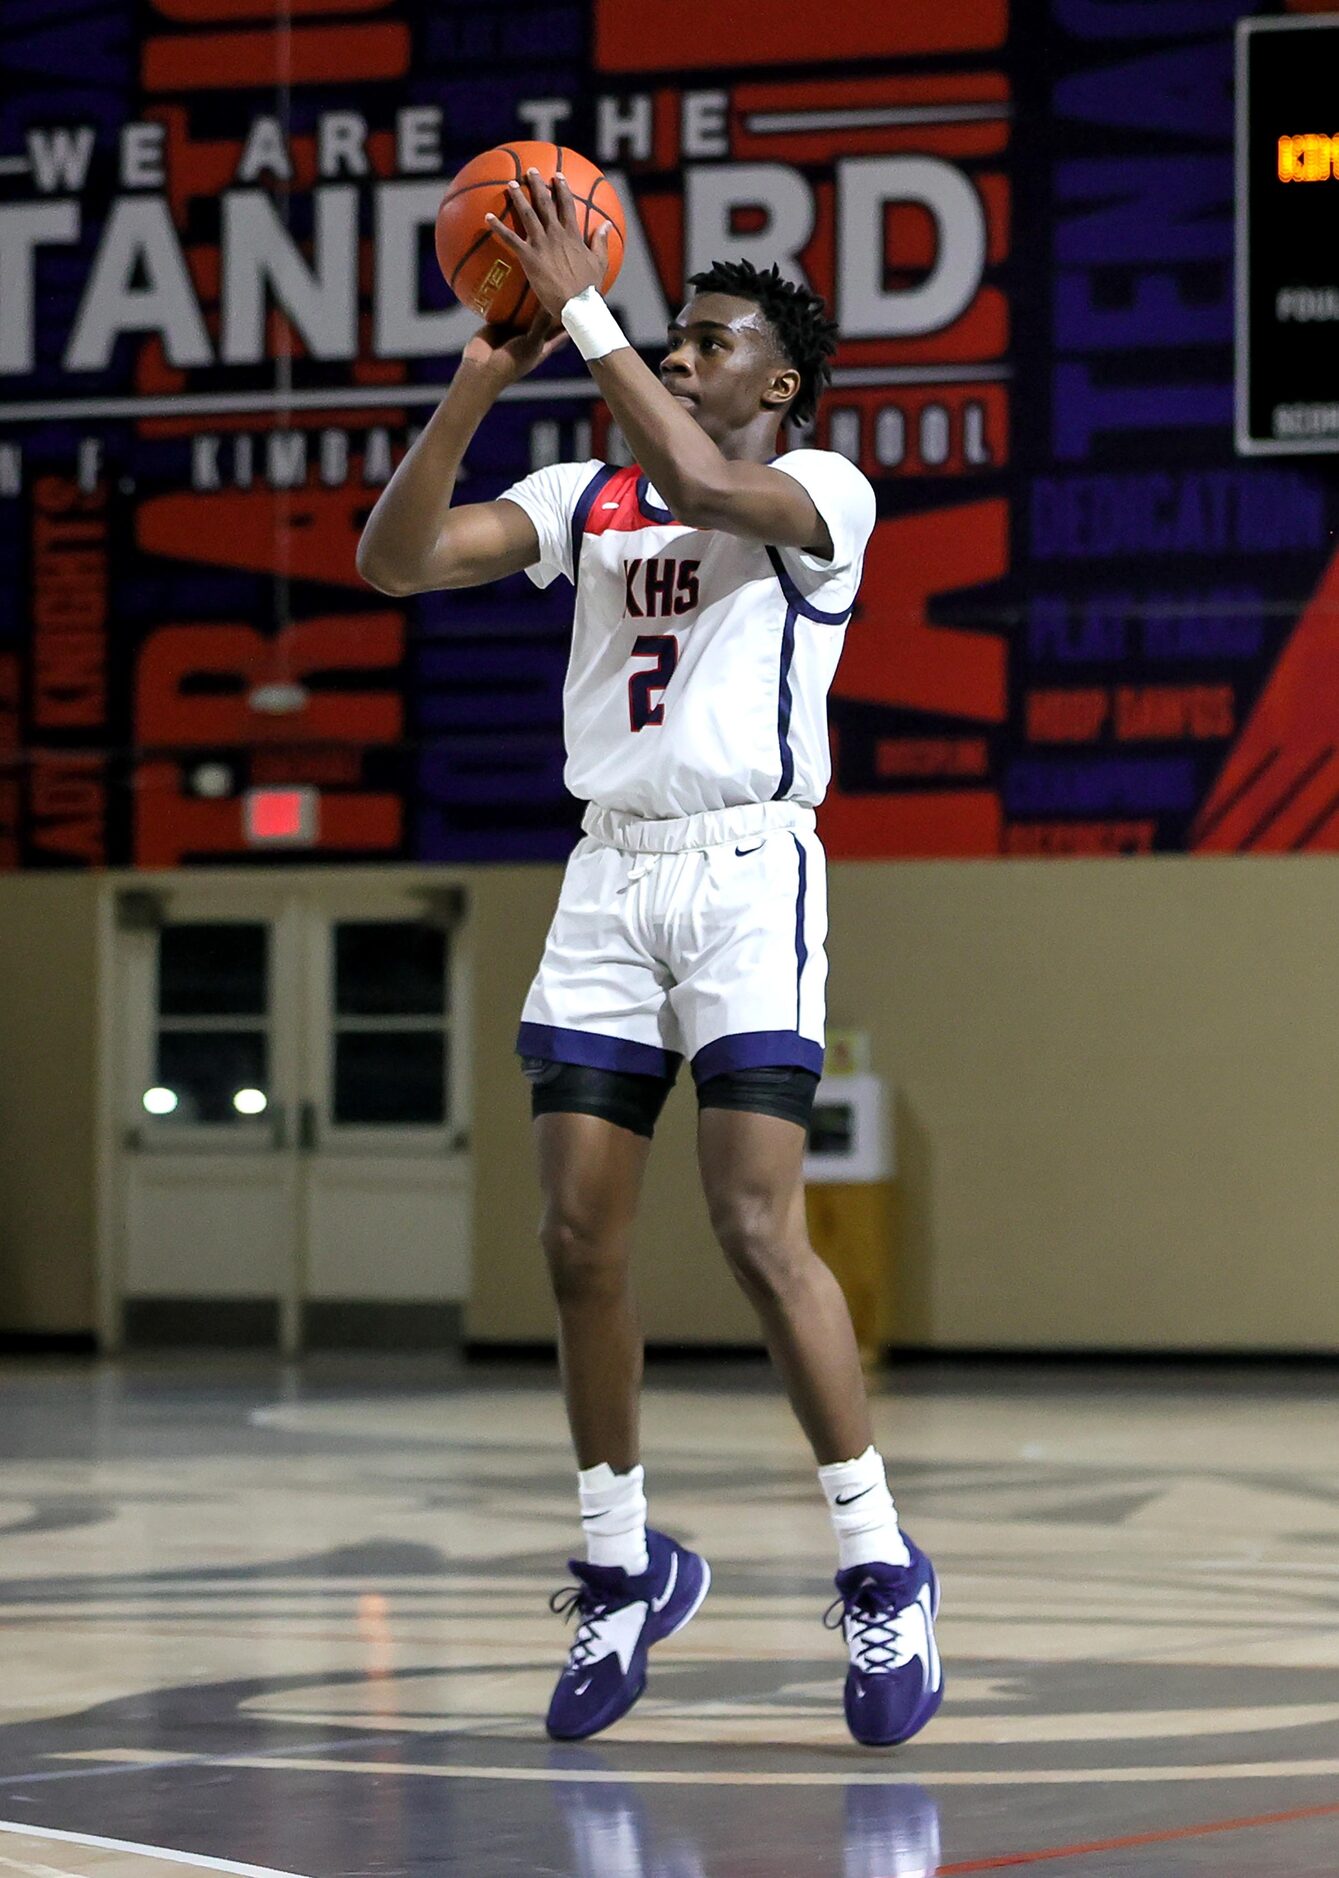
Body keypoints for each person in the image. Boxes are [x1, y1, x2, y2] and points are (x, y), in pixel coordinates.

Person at [357, 169, 942, 1749]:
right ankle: (625, 1564)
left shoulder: (826, 488)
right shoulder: (581, 500)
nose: (682, 359)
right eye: (671, 337)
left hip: (755, 875)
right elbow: (394, 562)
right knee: (572, 1240)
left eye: (713, 340)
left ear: (783, 382)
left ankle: (879, 1557)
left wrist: (597, 315)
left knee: (757, 1225)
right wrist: (476, 387)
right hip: (609, 880)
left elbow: (694, 471)